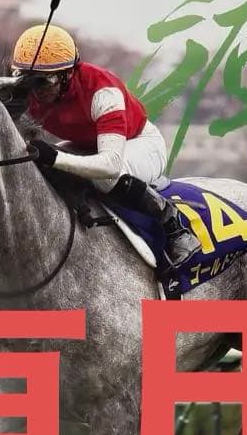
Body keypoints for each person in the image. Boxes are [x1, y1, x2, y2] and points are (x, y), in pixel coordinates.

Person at [10, 23, 200, 270]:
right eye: (28, 82)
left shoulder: (102, 91)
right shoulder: (26, 92)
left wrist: (55, 157)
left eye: (43, 82)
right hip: (87, 146)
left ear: (68, 74)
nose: (36, 92)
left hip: (139, 144)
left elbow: (110, 165)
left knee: (102, 177)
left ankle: (173, 224)